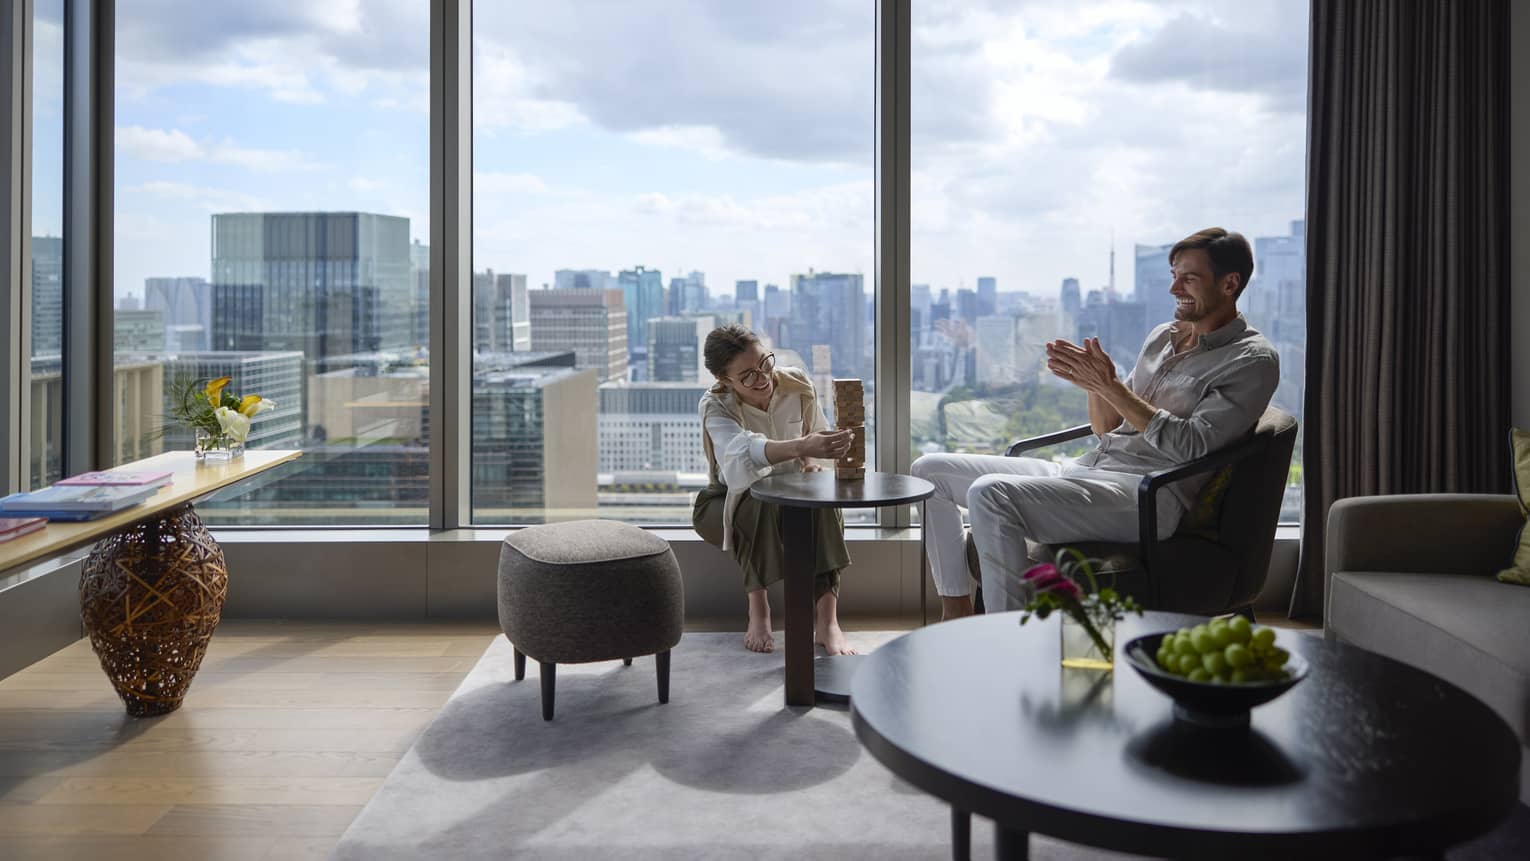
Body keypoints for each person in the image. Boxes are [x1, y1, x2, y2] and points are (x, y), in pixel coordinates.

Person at [912, 227, 1280, 619]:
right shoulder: (1162, 337)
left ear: (1230, 283)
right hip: (1091, 469)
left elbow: (1192, 446)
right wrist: (1095, 385)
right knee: (929, 471)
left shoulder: (1251, 361)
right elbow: (1109, 429)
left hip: (1147, 495)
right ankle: (957, 611)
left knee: (990, 493)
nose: (1174, 288)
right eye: (1174, 275)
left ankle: (1006, 638)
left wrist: (1112, 387)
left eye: (1188, 278)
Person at [692, 325, 858, 654]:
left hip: (793, 490)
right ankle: (758, 609)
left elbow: (816, 434)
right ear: (724, 379)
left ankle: (828, 621)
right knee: (760, 499)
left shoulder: (797, 384)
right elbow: (741, 457)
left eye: (765, 363)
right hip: (728, 499)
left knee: (821, 502)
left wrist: (811, 461)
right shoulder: (716, 405)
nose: (763, 377)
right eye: (748, 375)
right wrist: (801, 446)